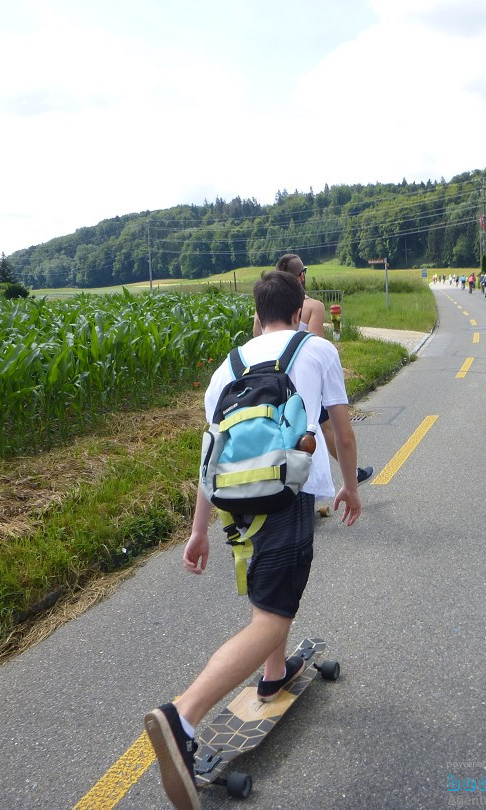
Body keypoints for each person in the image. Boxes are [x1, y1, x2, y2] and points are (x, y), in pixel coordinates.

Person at [144, 270, 362, 810]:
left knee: (269, 595)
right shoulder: (316, 349)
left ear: (256, 315)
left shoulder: (227, 368)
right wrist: (349, 487)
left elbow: (209, 454)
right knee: (272, 617)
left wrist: (198, 531)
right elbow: (341, 431)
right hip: (288, 494)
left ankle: (272, 675)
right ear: (299, 309)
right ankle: (183, 717)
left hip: (235, 502)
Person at [254, 254, 374, 485]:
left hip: (271, 378)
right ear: (302, 276)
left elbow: (256, 339)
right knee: (327, 428)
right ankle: (347, 476)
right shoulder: (313, 306)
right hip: (303, 380)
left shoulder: (263, 309)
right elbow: (316, 342)